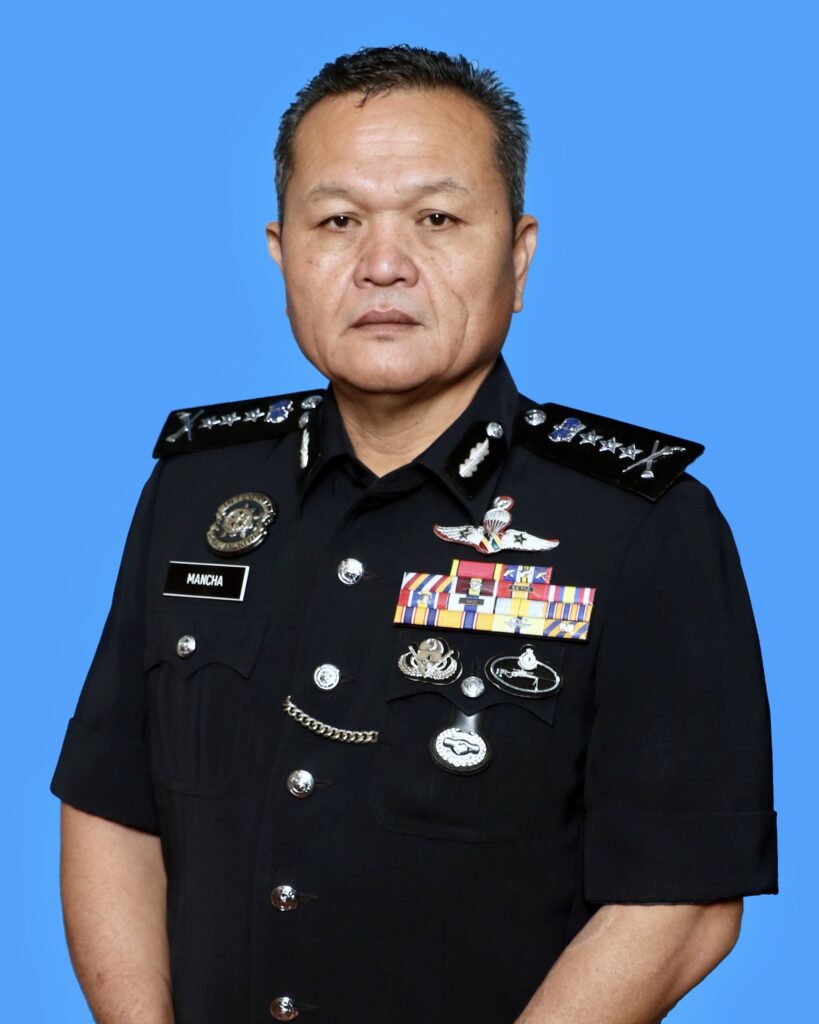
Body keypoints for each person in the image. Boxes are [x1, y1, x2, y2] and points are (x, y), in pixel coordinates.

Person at [50, 44, 778, 1024]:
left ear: (517, 254)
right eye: (338, 221)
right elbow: (111, 806)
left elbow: (682, 901)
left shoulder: (641, 523)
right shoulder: (195, 491)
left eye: (437, 219)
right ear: (281, 251)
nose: (383, 265)